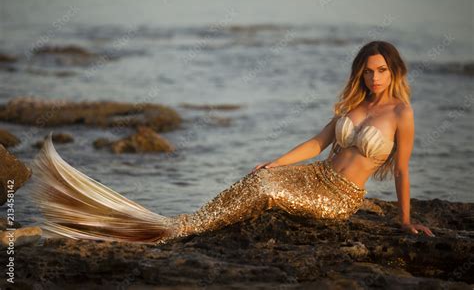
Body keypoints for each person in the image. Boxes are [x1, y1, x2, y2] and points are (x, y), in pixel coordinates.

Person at [29, 41, 434, 245]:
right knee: (260, 179)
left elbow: (400, 169)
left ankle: (180, 230)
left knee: (267, 192)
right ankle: (184, 224)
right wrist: (273, 162)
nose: (374, 78)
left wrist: (404, 220)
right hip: (316, 175)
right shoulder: (354, 104)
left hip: (340, 197)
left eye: (381, 71)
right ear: (360, 74)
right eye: (367, 72)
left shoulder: (401, 114)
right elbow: (316, 142)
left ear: (393, 70)